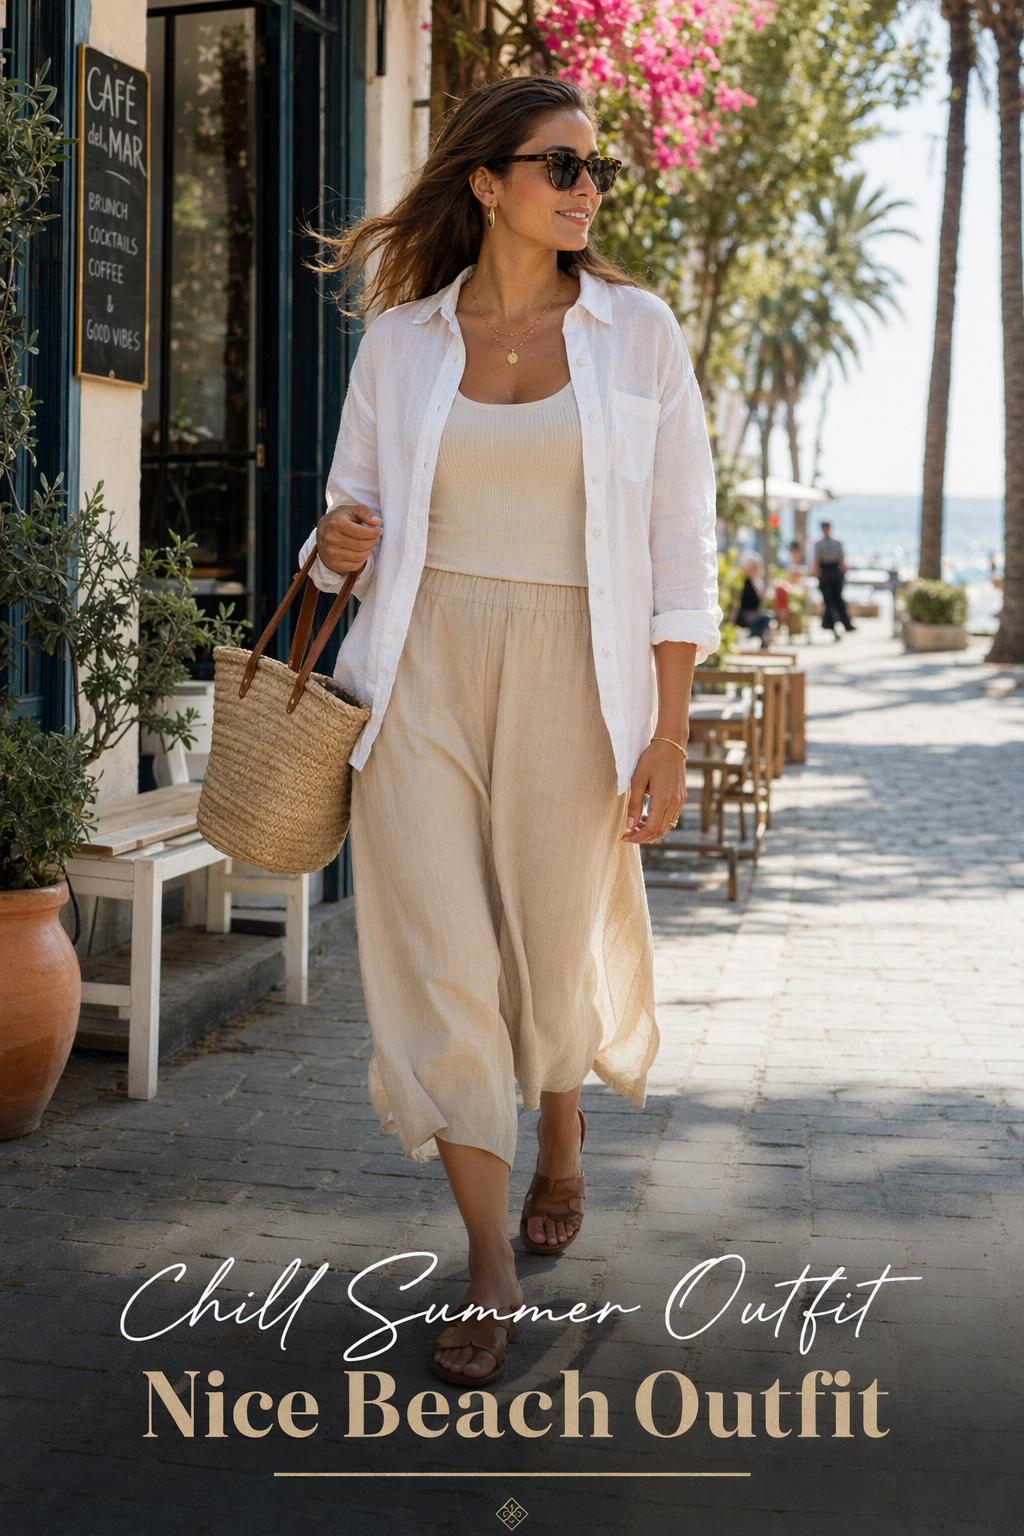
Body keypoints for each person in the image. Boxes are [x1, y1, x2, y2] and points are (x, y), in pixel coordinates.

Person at [296, 76, 722, 1388]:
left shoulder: (638, 334)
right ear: (488, 183)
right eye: (561, 166)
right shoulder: (402, 344)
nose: (589, 189)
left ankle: (563, 1136)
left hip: (573, 673)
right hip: (418, 671)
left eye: (598, 170)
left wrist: (667, 732)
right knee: (443, 961)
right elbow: (343, 530)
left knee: (545, 943)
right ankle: (487, 1262)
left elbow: (680, 546)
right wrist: (333, 545)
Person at [810, 519, 856, 640]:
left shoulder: (832, 542)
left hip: (831, 572)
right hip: (830, 572)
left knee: (835, 600)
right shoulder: (823, 542)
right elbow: (818, 560)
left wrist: (815, 573)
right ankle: (839, 624)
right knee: (832, 601)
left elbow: (840, 559)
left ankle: (837, 624)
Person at [735, 553, 773, 648]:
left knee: (767, 616)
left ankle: (760, 637)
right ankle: (758, 636)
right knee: (768, 617)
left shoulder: (752, 582)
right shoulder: (747, 582)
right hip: (745, 614)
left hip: (749, 614)